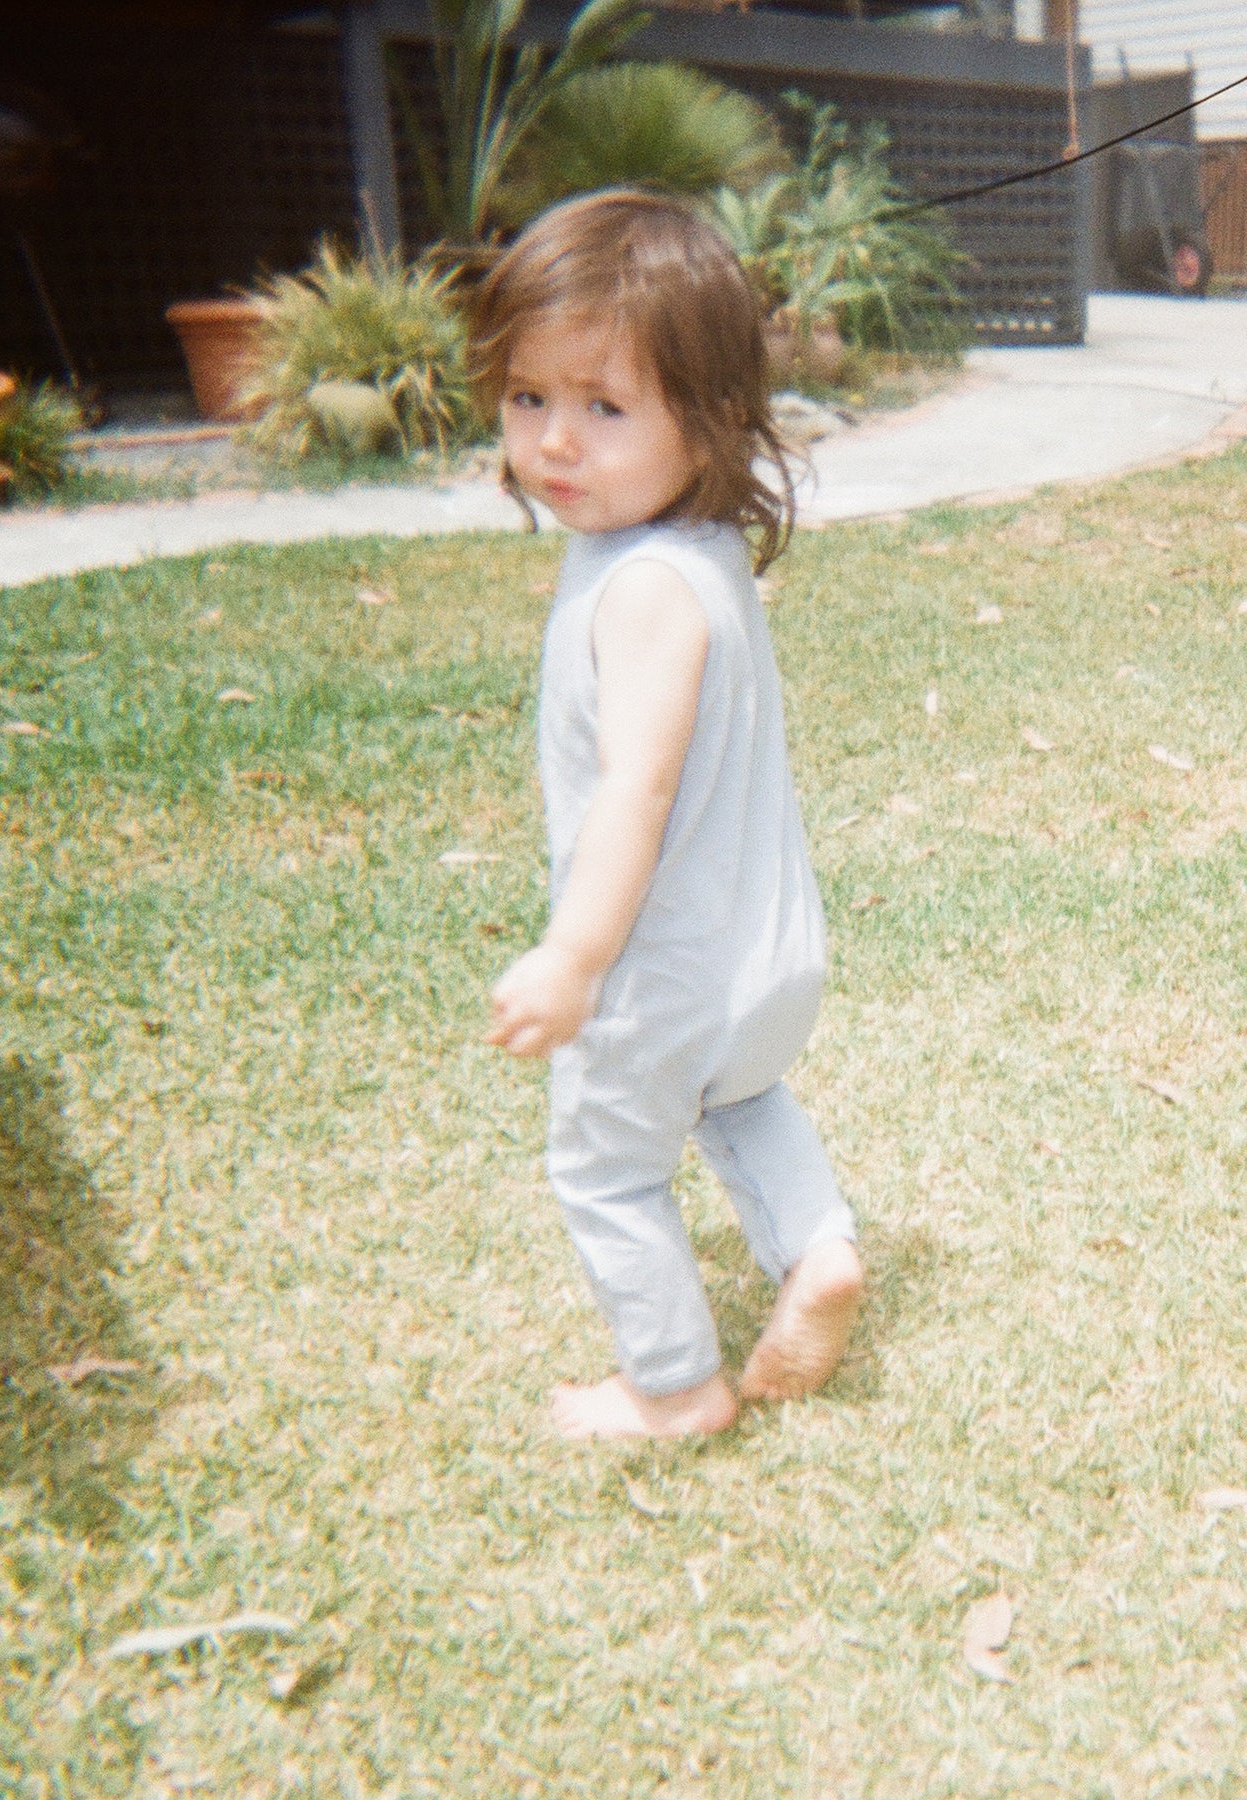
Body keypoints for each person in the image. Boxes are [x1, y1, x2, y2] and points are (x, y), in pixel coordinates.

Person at [473, 190, 863, 1441]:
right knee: (738, 1100)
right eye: (528, 396)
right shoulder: (704, 557)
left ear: (709, 420)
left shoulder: (640, 592)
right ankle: (816, 1250)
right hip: (765, 964)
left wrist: (573, 957)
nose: (554, 440)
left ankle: (673, 1387)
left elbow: (634, 794)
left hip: (661, 978)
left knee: (604, 1166)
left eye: (604, 406)